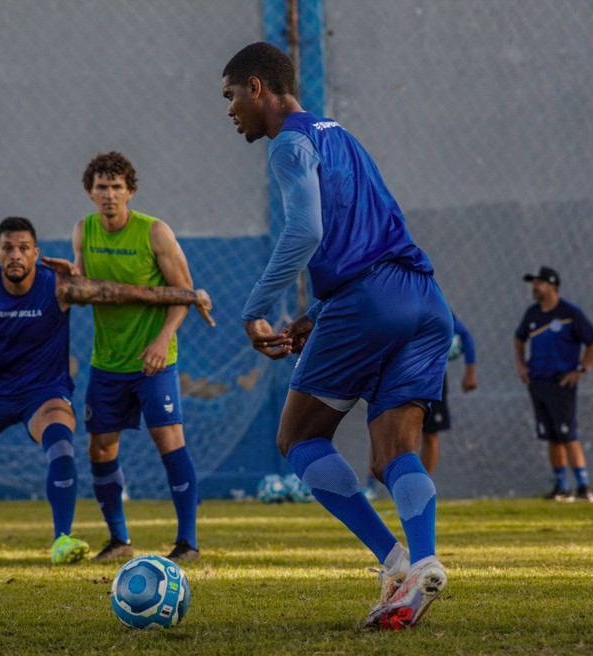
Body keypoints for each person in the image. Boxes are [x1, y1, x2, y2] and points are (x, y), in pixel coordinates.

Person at [222, 42, 451, 630]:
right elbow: (367, 231)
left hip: (367, 301)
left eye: (230, 98)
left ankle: (394, 560)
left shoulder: (289, 144)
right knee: (392, 452)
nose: (230, 113)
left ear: (257, 88)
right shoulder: (339, 134)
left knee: (297, 435)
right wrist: (319, 312)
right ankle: (423, 561)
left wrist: (256, 310)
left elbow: (306, 231)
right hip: (423, 299)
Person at [0, 216, 214, 565]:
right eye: (8, 248)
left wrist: (188, 294)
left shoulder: (58, 287)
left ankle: (62, 539)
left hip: (44, 393)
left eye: (23, 248)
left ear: (36, 253)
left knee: (61, 444)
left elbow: (123, 292)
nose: (15, 255)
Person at [68, 152, 203, 563]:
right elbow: (80, 284)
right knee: (101, 449)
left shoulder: (155, 233)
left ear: (130, 190)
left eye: (116, 186)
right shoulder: (83, 231)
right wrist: (68, 281)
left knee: (169, 442)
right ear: (90, 193)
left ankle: (188, 543)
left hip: (153, 361)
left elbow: (185, 293)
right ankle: (119, 540)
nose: (109, 194)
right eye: (101, 187)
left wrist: (163, 340)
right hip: (107, 362)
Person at [362, 312, 477, 497]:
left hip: (431, 377)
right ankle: (370, 486)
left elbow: (465, 335)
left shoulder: (435, 303)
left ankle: (422, 489)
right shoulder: (391, 303)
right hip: (396, 374)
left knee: (429, 435)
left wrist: (470, 370)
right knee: (382, 428)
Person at [515, 266, 593, 503]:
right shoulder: (532, 314)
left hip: (561, 383)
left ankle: (583, 486)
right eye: (533, 283)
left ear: (552, 285)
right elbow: (519, 338)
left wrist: (581, 370)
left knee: (568, 434)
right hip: (538, 382)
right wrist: (522, 366)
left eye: (539, 283)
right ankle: (561, 486)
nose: (534, 287)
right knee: (551, 436)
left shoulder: (569, 313)